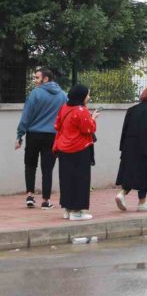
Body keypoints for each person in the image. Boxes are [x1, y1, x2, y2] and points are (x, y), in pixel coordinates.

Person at [15, 68, 67, 209]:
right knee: (47, 169)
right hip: (52, 136)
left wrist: (20, 134)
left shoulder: (35, 94)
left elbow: (26, 116)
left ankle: (30, 196)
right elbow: (65, 115)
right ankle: (46, 200)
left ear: (45, 79)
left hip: (33, 135)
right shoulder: (63, 95)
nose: (35, 80)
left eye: (37, 78)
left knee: (30, 165)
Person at [114, 86, 147, 212]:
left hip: (129, 147)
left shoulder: (132, 110)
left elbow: (124, 130)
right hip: (146, 148)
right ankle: (142, 202)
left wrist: (122, 148)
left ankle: (122, 194)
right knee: (146, 175)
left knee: (131, 173)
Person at [53, 84, 98, 221]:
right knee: (80, 180)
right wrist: (93, 118)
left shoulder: (64, 107)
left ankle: (67, 209)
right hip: (79, 150)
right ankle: (77, 211)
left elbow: (57, 125)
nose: (89, 97)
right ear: (81, 96)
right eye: (87, 94)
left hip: (63, 149)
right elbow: (89, 129)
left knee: (66, 179)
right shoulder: (81, 110)